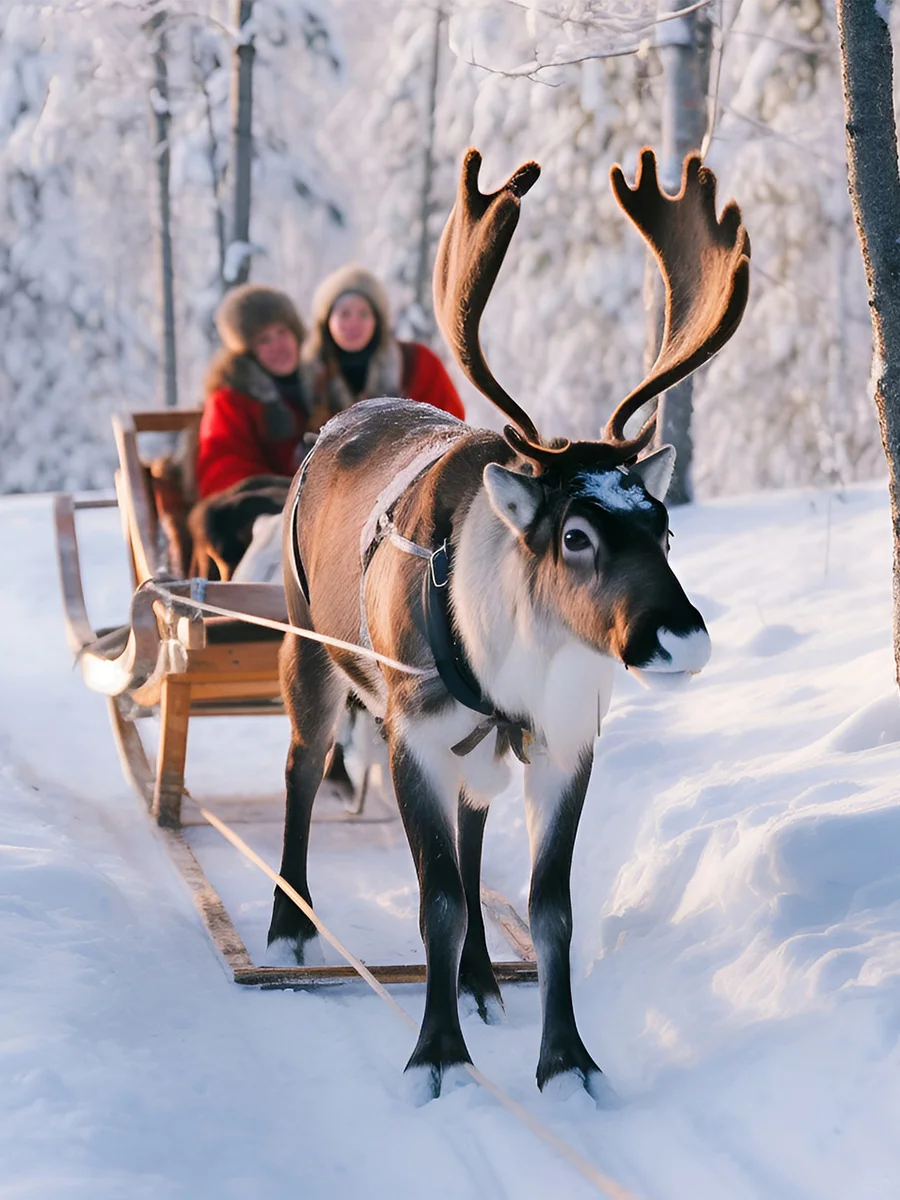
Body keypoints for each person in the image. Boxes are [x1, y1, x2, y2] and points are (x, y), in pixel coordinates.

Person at [195, 283, 322, 499]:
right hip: (267, 509)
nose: (278, 346)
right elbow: (222, 466)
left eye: (282, 332)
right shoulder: (229, 399)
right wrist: (282, 493)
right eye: (264, 340)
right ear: (247, 351)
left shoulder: (320, 384)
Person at [300, 265, 465, 419]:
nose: (354, 323)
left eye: (364, 314)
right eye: (344, 314)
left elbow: (452, 429)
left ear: (377, 321)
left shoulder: (418, 364)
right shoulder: (307, 376)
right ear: (327, 321)